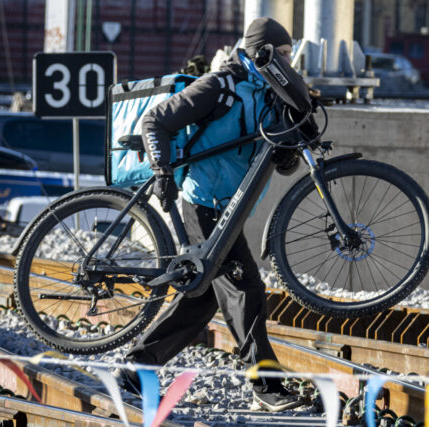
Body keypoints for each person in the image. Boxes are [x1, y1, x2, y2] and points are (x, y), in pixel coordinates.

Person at [116, 17, 312, 412]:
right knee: (246, 290)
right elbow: (156, 120)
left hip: (231, 208)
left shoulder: (273, 94)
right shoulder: (220, 85)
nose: (287, 65)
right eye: (282, 55)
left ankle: (134, 370)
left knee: (202, 298)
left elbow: (285, 163)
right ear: (261, 53)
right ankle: (267, 386)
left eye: (290, 57)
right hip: (201, 201)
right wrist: (161, 171)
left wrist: (294, 136)